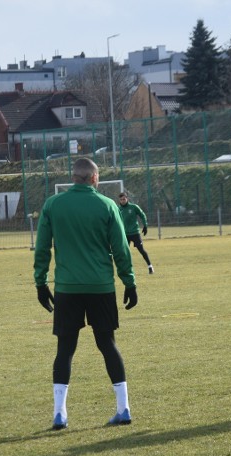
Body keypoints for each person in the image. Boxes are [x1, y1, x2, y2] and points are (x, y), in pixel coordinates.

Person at [34, 157, 138, 430]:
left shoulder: (53, 205)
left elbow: (42, 247)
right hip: (101, 287)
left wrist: (40, 283)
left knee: (65, 349)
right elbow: (121, 249)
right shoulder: (107, 205)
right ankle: (123, 408)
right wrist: (129, 282)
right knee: (108, 345)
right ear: (94, 178)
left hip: (67, 288)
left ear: (74, 177)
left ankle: (60, 414)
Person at [118, 192, 154, 274]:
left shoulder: (133, 207)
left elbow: (142, 215)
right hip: (125, 234)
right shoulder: (118, 209)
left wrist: (145, 225)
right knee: (124, 252)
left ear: (127, 198)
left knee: (141, 250)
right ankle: (127, 270)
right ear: (119, 200)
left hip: (135, 233)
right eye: (121, 200)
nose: (123, 201)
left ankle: (150, 266)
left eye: (124, 199)